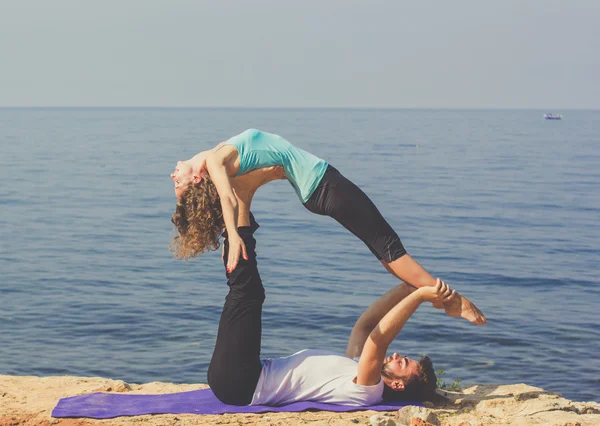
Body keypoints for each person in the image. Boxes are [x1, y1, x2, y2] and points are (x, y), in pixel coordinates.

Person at [170, 129, 486, 326]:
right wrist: (235, 235)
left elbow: (241, 184)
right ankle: (452, 301)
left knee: (383, 251)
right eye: (179, 184)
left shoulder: (216, 159)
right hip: (323, 185)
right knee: (389, 246)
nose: (173, 176)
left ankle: (434, 297)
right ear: (197, 179)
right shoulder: (214, 161)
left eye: (176, 181)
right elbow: (227, 196)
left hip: (319, 190)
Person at [207, 174, 455, 406]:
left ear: (398, 385)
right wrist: (406, 288)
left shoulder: (370, 389)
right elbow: (365, 327)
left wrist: (419, 296)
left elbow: (378, 340)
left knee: (247, 294)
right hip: (242, 376)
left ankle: (240, 202)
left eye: (402, 362)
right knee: (248, 294)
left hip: (243, 383)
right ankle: (241, 204)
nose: (397, 355)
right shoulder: (357, 368)